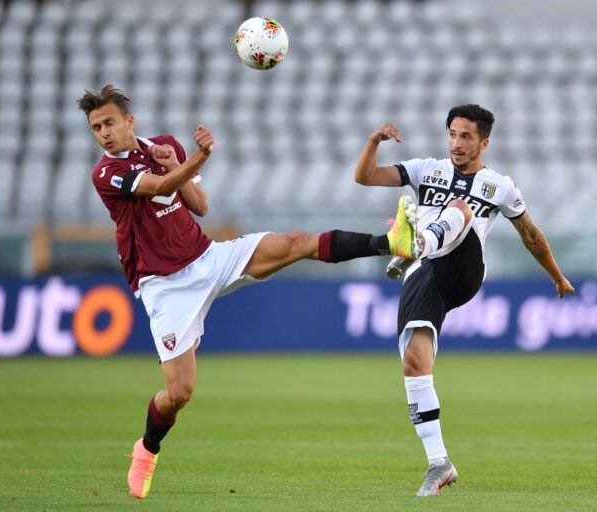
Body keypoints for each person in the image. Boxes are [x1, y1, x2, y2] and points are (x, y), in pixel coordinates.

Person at [77, 84, 420, 499]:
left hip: (208, 258)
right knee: (179, 394)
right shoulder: (105, 172)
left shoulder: (163, 145)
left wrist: (176, 161)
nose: (104, 133)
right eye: (96, 127)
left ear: (129, 120)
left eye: (110, 122)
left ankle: (392, 244)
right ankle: (147, 448)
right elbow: (159, 189)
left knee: (295, 243)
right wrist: (197, 157)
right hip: (165, 286)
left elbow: (200, 205)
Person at [353, 104, 576, 497]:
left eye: (466, 136)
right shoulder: (426, 169)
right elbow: (365, 176)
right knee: (414, 364)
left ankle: (414, 241)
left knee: (459, 207)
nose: (456, 143)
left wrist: (556, 275)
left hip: (464, 270)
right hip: (426, 274)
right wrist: (373, 142)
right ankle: (439, 463)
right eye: (452, 134)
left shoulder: (499, 186)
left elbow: (531, 235)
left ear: (484, 141)